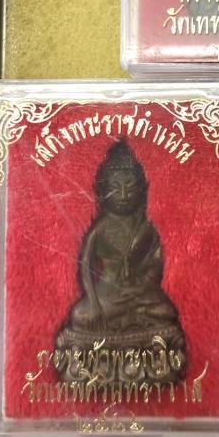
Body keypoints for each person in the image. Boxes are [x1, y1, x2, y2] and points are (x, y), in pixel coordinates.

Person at [56, 139, 186, 384]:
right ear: (103, 191)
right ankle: (125, 343)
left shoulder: (146, 228)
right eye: (116, 188)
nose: (124, 195)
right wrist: (93, 302)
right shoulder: (101, 228)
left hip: (139, 294)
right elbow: (85, 268)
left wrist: (142, 285)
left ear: (141, 190)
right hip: (107, 295)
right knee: (80, 315)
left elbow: (155, 263)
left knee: (166, 311)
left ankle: (130, 338)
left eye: (130, 188)